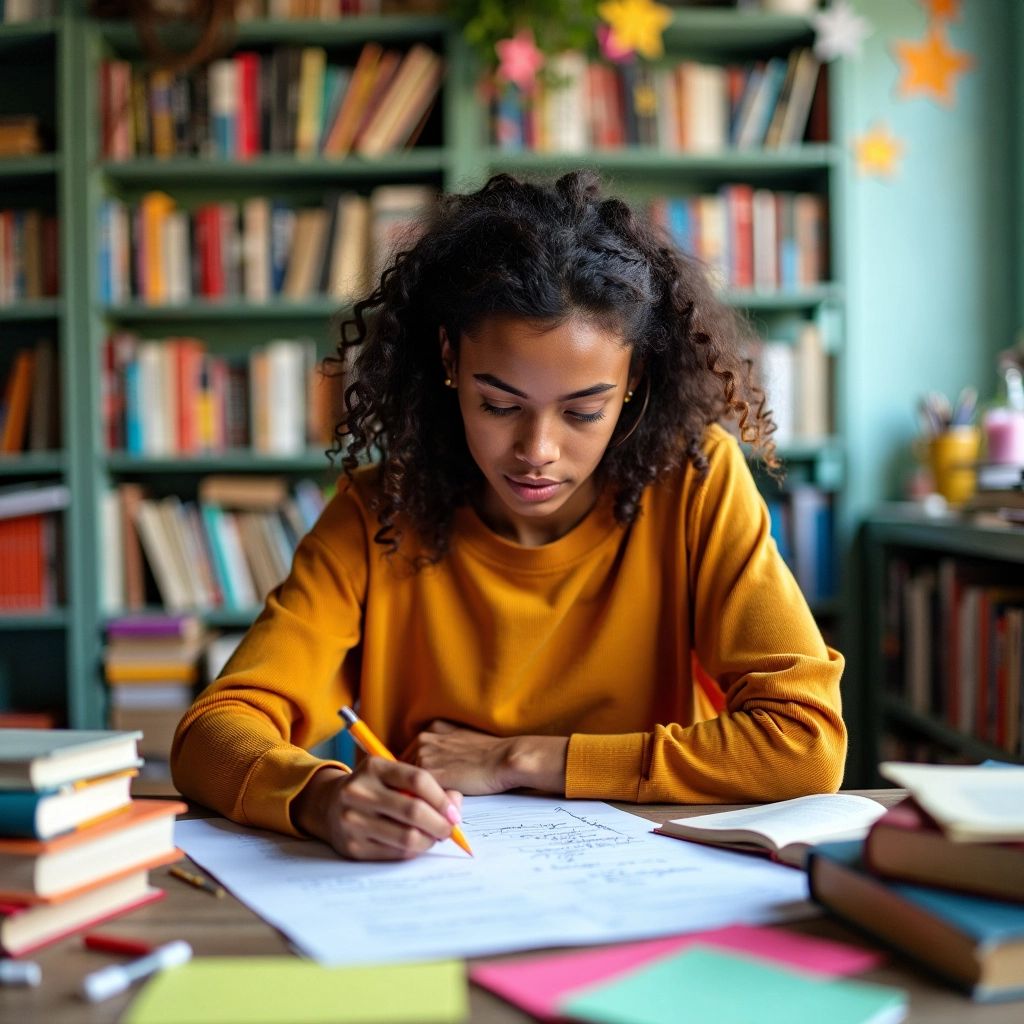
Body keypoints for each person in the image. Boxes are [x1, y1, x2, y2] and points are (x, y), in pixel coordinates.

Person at [171, 171, 846, 862]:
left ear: (634, 380)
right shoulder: (381, 511)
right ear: (449, 362)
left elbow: (805, 745)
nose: (537, 452)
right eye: (499, 405)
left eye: (583, 412)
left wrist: (518, 758)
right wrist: (320, 799)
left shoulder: (695, 485)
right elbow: (213, 733)